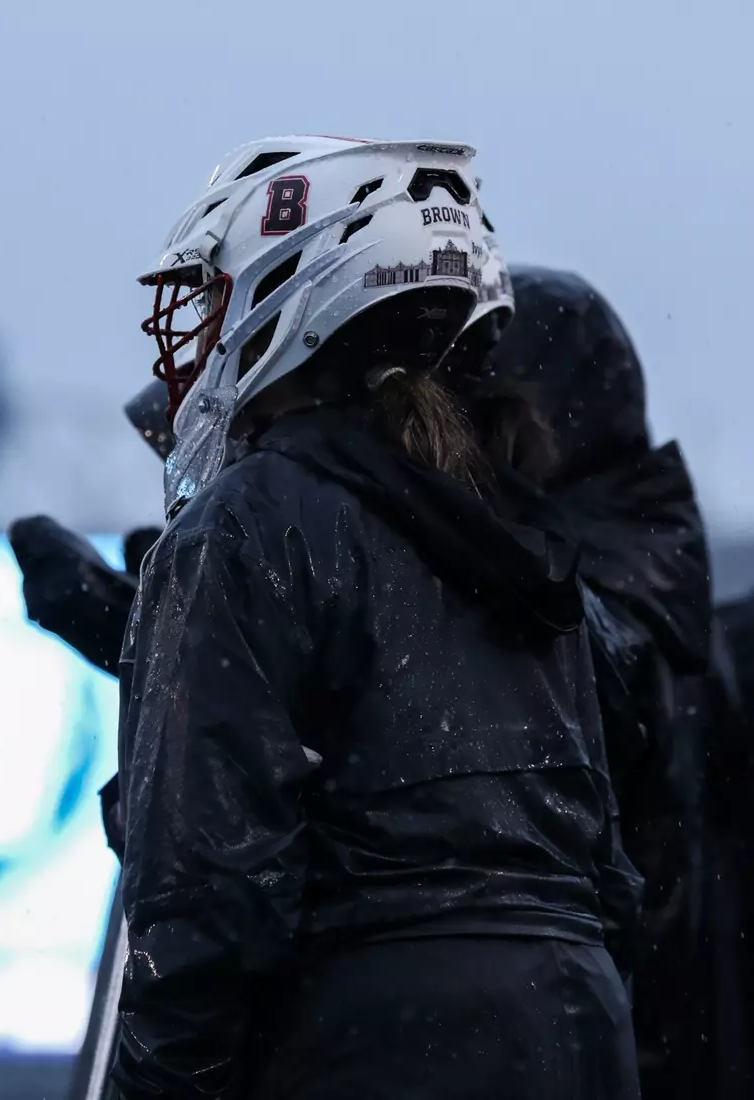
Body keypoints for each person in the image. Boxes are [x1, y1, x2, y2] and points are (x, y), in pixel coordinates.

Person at [109, 135, 642, 1100]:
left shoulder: (246, 525)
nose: (192, 337)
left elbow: (207, 889)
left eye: (215, 296)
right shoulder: (515, 532)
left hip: (365, 1038)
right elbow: (608, 866)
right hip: (572, 1027)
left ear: (292, 297)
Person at [460, 266, 751, 1098]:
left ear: (524, 426)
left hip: (620, 1062)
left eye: (461, 418)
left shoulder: (594, 607)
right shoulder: (644, 580)